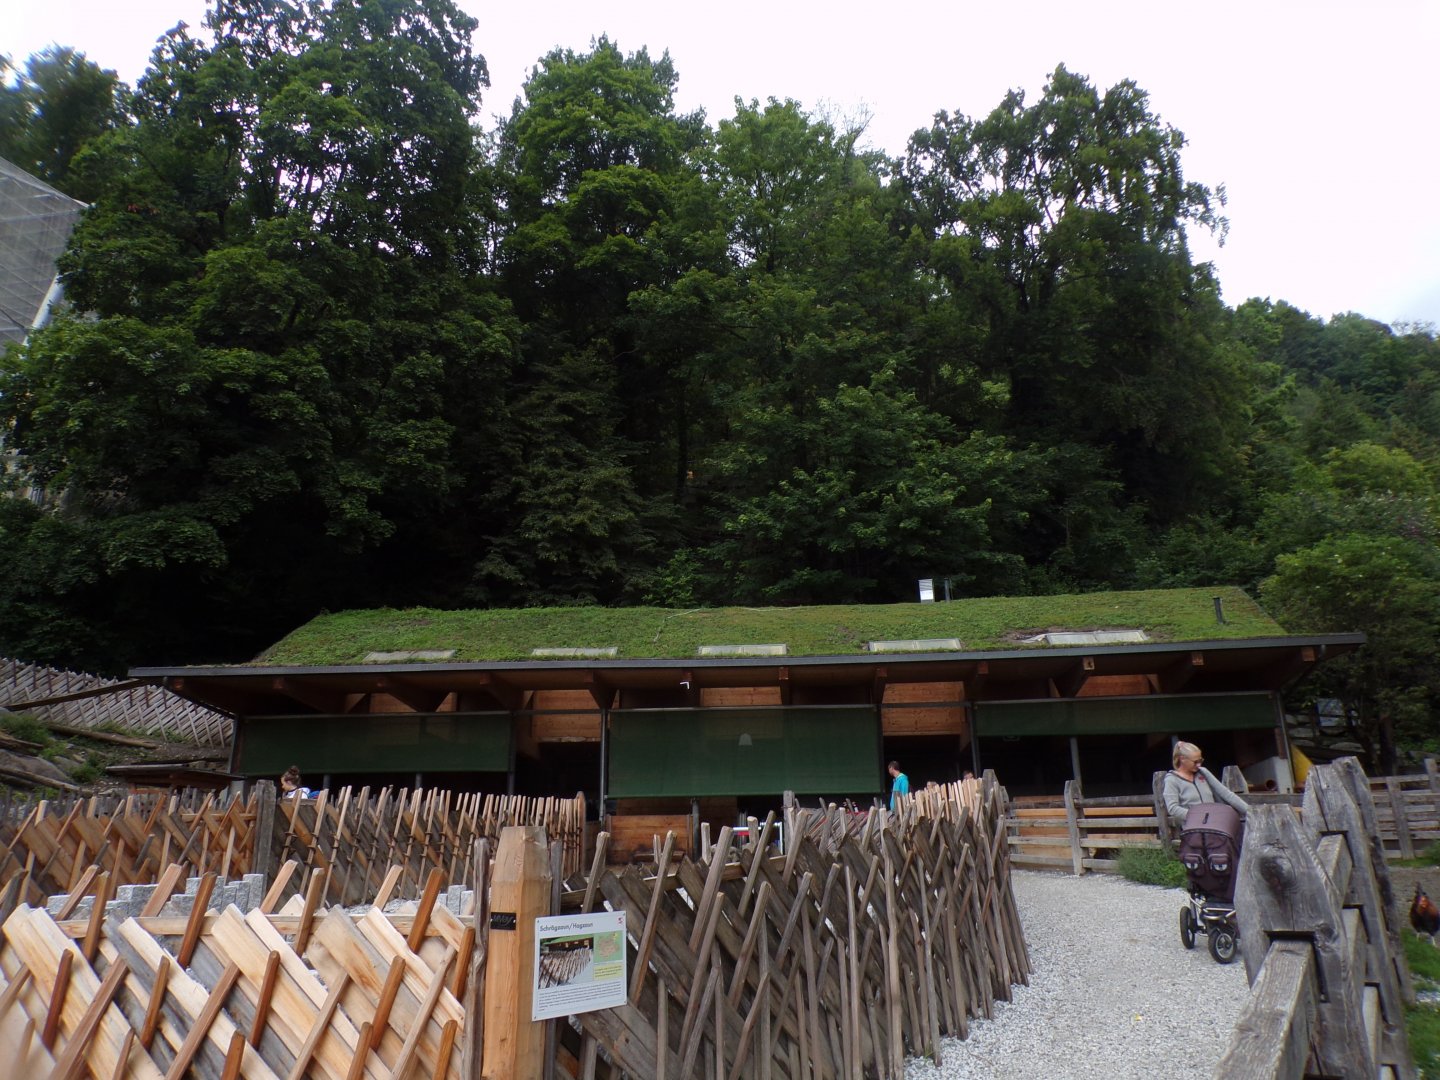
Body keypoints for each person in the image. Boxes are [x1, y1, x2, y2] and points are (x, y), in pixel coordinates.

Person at [1162, 741, 1247, 828]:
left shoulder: (1203, 772)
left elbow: (1225, 793)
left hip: (1215, 823)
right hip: (1193, 828)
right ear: (1182, 759)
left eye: (1200, 760)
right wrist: (1198, 816)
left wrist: (1249, 810)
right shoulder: (1172, 780)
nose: (1198, 765)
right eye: (1195, 762)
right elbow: (1173, 808)